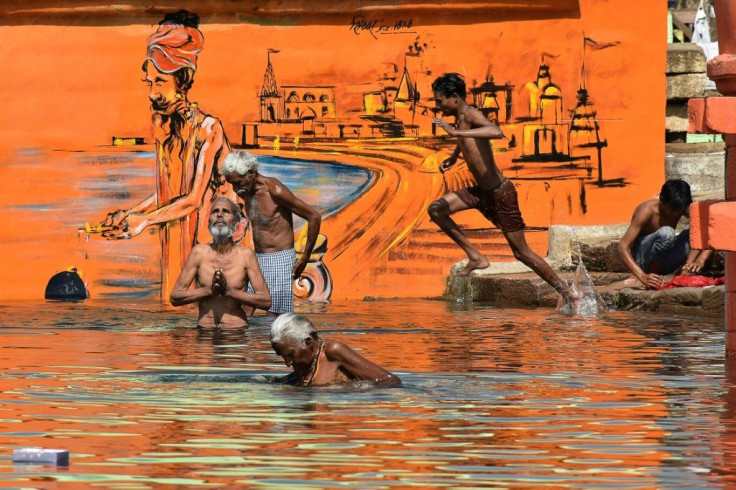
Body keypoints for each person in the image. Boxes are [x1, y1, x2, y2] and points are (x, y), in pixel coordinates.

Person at [101, 10, 233, 302]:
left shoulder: (208, 129)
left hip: (219, 244)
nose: (152, 93)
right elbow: (169, 193)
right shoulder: (166, 126)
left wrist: (145, 221)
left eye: (160, 82)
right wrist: (133, 213)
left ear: (182, 79)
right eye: (149, 82)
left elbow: (193, 199)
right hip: (184, 240)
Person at [428, 73, 579, 304]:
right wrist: (454, 156)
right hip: (481, 193)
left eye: (440, 101)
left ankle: (567, 292)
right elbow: (469, 141)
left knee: (522, 253)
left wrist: (454, 132)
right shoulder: (460, 118)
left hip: (501, 194)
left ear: (455, 98)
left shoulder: (470, 114)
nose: (437, 106)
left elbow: (496, 132)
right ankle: (476, 257)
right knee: (436, 210)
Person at [221, 151, 322, 316]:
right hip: (257, 258)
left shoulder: (274, 190)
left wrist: (304, 258)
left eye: (238, 183)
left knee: (274, 317)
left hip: (280, 259)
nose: (236, 189)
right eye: (233, 184)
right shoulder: (246, 191)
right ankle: (238, 342)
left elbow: (314, 216)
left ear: (252, 173)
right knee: (243, 313)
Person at [170, 197, 271, 328]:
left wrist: (229, 292)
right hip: (205, 332)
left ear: (235, 223)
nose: (219, 214)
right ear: (209, 222)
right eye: (215, 211)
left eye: (226, 211)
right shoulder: (199, 253)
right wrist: (209, 290)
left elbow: (266, 300)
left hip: (236, 333)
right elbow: (175, 297)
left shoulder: (246, 255)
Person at [618, 179, 713, 290]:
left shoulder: (681, 207)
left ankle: (685, 269)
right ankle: (653, 277)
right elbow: (622, 247)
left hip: (667, 260)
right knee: (667, 232)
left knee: (695, 228)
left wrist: (700, 259)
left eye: (679, 210)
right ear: (662, 200)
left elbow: (711, 228)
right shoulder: (646, 211)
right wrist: (641, 276)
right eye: (673, 209)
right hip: (645, 261)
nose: (676, 213)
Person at [269, 313, 401, 387]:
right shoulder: (301, 367)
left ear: (308, 341)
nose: (287, 363)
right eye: (282, 356)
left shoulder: (333, 351)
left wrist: (357, 396)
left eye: (290, 355)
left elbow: (390, 381)